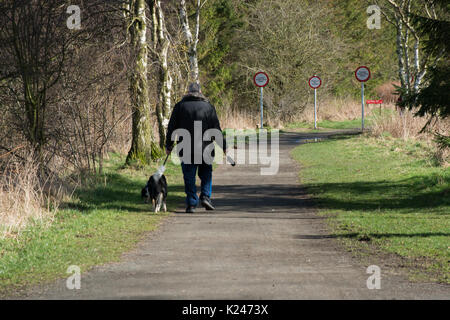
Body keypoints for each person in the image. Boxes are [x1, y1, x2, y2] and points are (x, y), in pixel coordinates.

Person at [165, 83, 226, 213]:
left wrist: (169, 146)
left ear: (188, 92)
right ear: (200, 91)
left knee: (189, 176)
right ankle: (205, 197)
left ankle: (191, 203)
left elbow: (172, 128)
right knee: (206, 174)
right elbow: (216, 129)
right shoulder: (208, 107)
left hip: (186, 148)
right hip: (206, 148)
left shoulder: (180, 106)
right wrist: (224, 146)